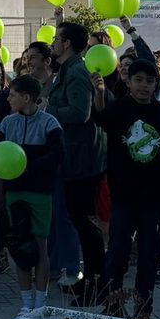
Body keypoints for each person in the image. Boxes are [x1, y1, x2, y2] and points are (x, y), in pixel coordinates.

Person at [93, 57, 160, 314]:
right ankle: (113, 305)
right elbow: (100, 118)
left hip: (151, 197)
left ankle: (143, 310)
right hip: (123, 194)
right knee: (118, 252)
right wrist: (99, 93)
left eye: (150, 81)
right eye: (138, 80)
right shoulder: (119, 109)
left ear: (156, 84)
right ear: (128, 81)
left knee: (148, 256)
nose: (144, 86)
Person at [46, 22, 107, 304]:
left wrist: (48, 109)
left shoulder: (77, 72)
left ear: (67, 43)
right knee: (76, 217)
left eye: (57, 39)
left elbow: (80, 112)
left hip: (82, 159)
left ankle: (97, 280)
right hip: (71, 157)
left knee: (82, 220)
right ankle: (93, 278)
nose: (54, 43)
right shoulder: (67, 70)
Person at [0, 74, 64, 319]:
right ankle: (25, 304)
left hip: (40, 193)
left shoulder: (50, 123)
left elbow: (57, 156)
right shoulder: (6, 123)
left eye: (12, 94)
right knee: (20, 247)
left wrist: (27, 167)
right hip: (15, 193)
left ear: (26, 98)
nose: (8, 98)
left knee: (40, 246)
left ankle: (41, 302)